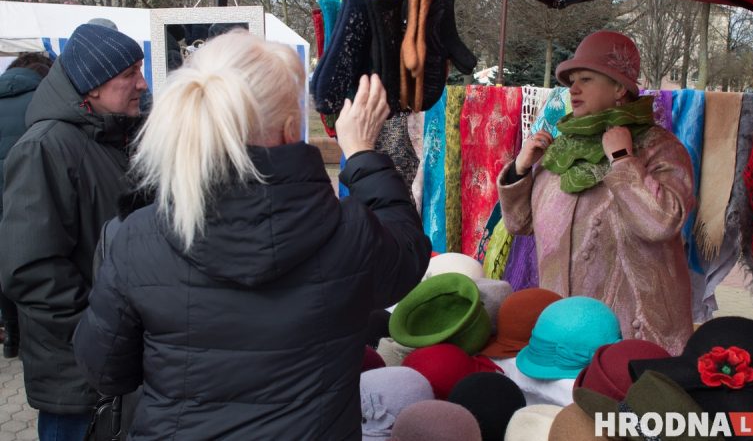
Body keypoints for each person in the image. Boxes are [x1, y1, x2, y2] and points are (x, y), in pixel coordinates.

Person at [73, 31, 431, 439]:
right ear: (287, 128)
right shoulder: (349, 232)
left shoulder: (138, 236)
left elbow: (103, 369)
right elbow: (409, 254)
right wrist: (363, 153)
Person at [497, 30, 694, 355]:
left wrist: (623, 160)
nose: (573, 89)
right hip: (564, 331)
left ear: (619, 88)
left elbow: (662, 223)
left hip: (632, 334)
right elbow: (521, 224)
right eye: (572, 80)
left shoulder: (659, 148)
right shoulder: (562, 147)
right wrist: (520, 170)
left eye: (586, 79)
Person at [0, 23, 147, 440]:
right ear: (93, 86)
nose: (142, 82)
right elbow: (30, 270)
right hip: (76, 378)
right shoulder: (44, 147)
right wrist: (96, 334)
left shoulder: (113, 137)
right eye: (129, 74)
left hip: (114, 363)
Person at [0, 52, 53, 359]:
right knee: (29, 264)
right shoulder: (41, 102)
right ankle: (30, 341)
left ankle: (11, 338)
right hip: (25, 201)